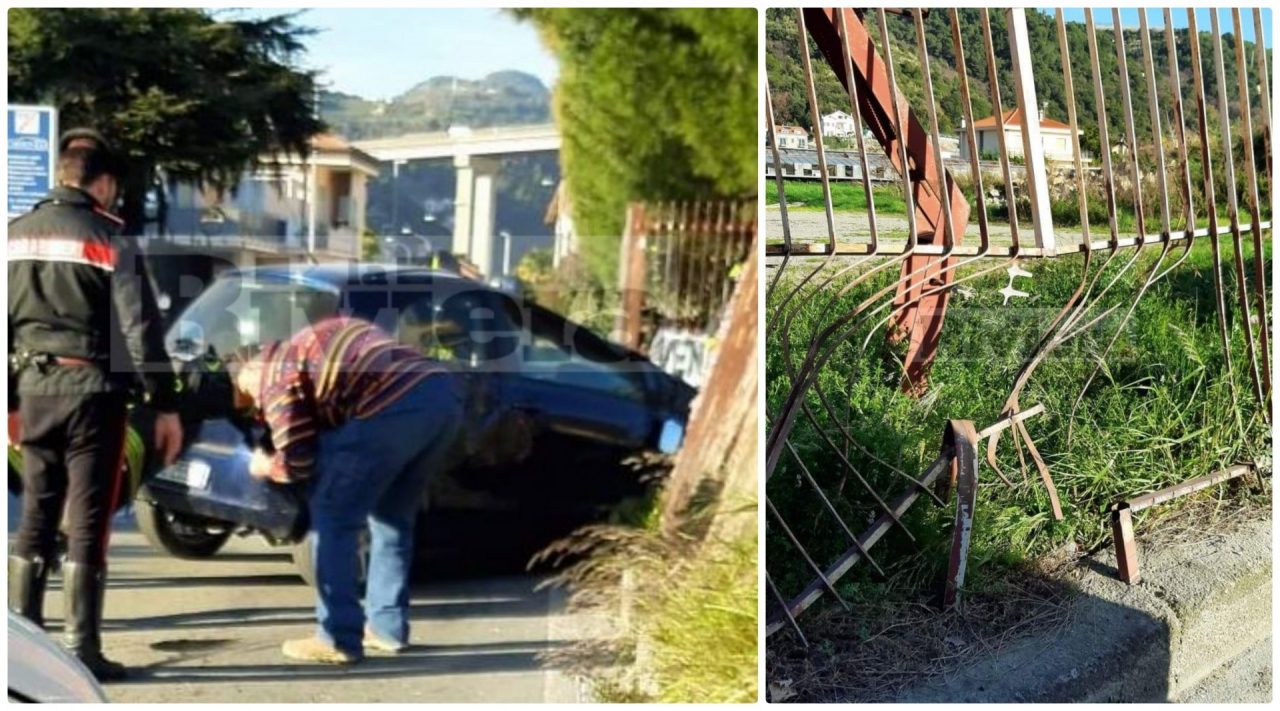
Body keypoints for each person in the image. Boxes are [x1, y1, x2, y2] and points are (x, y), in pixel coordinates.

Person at [7, 134, 183, 681]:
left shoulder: (12, 236)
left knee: (35, 513)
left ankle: (20, 646)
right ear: (102, 184)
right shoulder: (111, 239)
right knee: (86, 521)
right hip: (93, 395)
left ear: (61, 175)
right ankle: (81, 649)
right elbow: (140, 330)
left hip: (32, 392)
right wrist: (166, 403)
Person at [229, 316, 462, 664]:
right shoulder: (316, 337)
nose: (252, 406)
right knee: (391, 519)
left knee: (333, 518)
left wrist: (265, 466)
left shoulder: (272, 375)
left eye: (245, 398)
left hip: (391, 406)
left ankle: (336, 637)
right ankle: (386, 628)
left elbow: (297, 461)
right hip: (441, 396)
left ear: (246, 371)